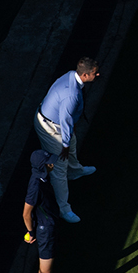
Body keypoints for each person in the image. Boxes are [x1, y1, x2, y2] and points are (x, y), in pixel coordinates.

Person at [32, 55, 99, 223]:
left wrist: (69, 139)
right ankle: (64, 209)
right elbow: (65, 119)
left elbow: (68, 119)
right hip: (50, 127)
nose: (97, 75)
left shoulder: (72, 75)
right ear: (85, 75)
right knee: (59, 167)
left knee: (73, 143)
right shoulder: (72, 95)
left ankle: (75, 171)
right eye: (94, 73)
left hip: (54, 121)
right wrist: (65, 144)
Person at [22, 148, 78, 273]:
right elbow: (26, 213)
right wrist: (30, 233)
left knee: (49, 267)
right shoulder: (35, 186)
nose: (52, 163)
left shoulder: (43, 178)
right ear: (43, 166)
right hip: (45, 232)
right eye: (49, 162)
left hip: (49, 227)